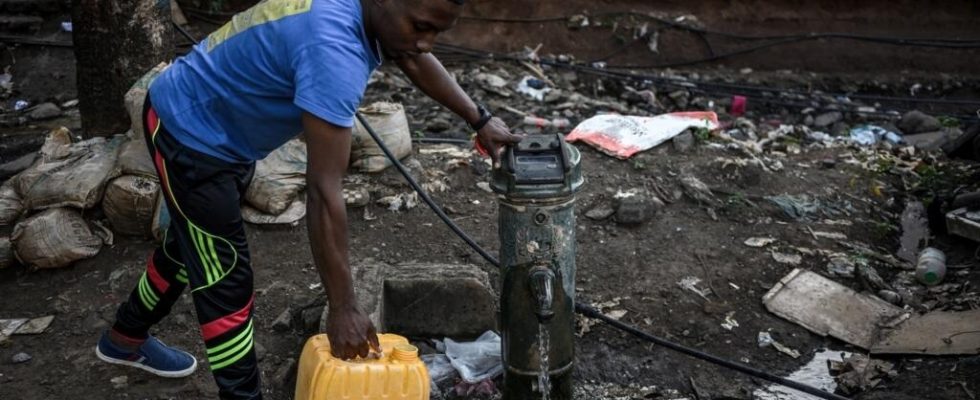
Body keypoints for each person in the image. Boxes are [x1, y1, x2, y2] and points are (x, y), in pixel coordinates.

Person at [93, 0, 521, 398]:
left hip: (222, 131)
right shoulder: (333, 52)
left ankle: (124, 339)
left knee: (192, 245)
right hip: (190, 134)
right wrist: (343, 307)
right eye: (421, 27)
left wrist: (479, 118)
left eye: (435, 32)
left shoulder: (371, 17)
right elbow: (322, 189)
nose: (426, 42)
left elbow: (412, 53)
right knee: (226, 278)